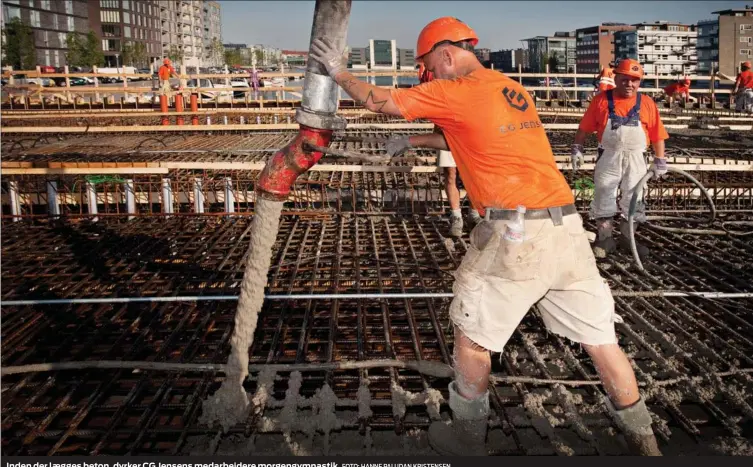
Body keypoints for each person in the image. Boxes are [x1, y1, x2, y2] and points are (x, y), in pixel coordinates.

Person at [311, 17, 662, 457]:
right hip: (567, 230)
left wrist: (337, 71)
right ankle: (646, 443)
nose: (432, 75)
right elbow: (465, 134)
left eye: (430, 66)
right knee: (602, 343)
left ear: (445, 54)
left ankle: (466, 439)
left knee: (473, 339)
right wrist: (412, 141)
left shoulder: (455, 87)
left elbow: (381, 101)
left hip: (517, 235)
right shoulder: (509, 88)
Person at [571, 59, 669, 260]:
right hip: (609, 156)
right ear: (616, 78)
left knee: (634, 197)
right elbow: (584, 128)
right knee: (604, 194)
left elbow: (658, 135)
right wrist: (577, 147)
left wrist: (660, 160)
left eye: (635, 81)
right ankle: (605, 239)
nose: (630, 85)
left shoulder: (647, 103)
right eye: (625, 80)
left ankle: (627, 238)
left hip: (636, 159)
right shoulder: (601, 101)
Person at [387, 63, 482, 237]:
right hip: (444, 131)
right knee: (450, 174)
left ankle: (474, 214)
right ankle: (456, 216)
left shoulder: (467, 76)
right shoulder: (431, 73)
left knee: (473, 176)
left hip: (467, 132)